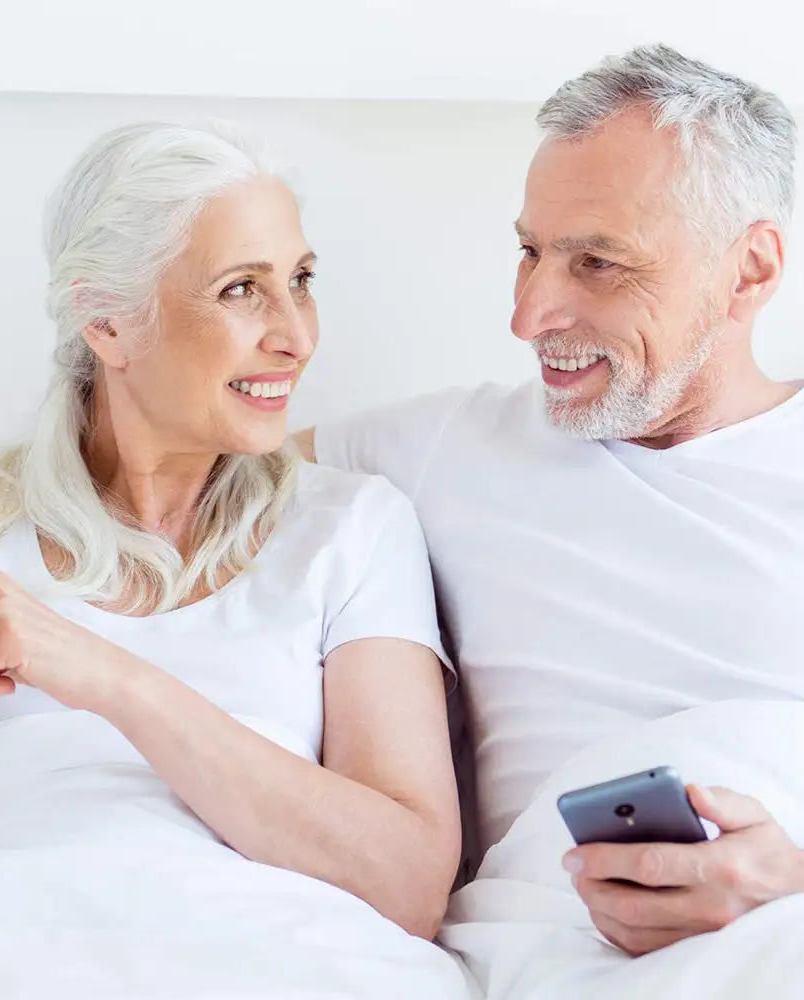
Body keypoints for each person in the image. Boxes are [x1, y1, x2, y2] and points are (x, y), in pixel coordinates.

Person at [0, 122, 469, 998]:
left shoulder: (353, 531)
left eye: (302, 282)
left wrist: (100, 674)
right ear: (107, 322)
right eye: (243, 289)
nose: (297, 336)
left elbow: (408, 886)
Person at [301, 44, 804, 957]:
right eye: (530, 252)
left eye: (599, 263)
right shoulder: (446, 447)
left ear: (751, 271)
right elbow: (161, 465)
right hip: (548, 943)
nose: (529, 317)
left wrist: (793, 877)